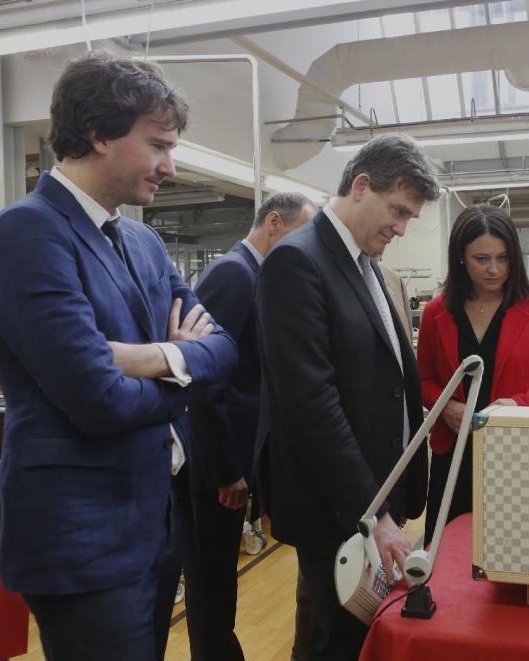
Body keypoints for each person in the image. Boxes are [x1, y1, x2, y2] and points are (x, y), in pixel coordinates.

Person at [0, 51, 237, 661]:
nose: (169, 167)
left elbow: (225, 346)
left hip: (153, 521)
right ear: (99, 134)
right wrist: (183, 362)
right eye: (158, 145)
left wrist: (150, 357)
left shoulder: (143, 241)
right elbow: (98, 400)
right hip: (81, 538)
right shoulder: (25, 232)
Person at [255, 133, 438, 660]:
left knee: (348, 637)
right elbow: (312, 403)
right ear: (361, 186)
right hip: (339, 508)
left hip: (374, 498)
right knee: (333, 642)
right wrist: (371, 514)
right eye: (398, 210)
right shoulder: (298, 261)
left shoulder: (365, 264)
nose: (402, 228)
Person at [184, 192, 316, 661]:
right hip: (213, 460)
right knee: (209, 576)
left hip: (234, 453)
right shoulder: (233, 274)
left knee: (219, 575)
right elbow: (204, 379)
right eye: (305, 232)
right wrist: (224, 469)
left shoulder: (258, 275)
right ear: (274, 223)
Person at [417, 205, 529, 540]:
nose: (494, 269)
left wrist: (517, 404)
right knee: (445, 552)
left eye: (503, 258)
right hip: (453, 453)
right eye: (481, 259)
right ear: (460, 257)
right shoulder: (436, 312)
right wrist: (446, 408)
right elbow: (423, 380)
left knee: (513, 546)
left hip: (515, 453)